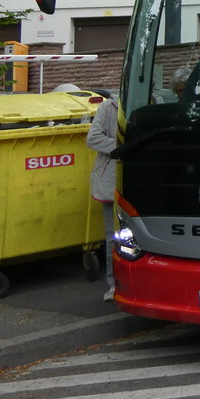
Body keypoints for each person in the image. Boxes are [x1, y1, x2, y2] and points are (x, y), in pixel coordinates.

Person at [86, 94, 119, 302]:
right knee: (114, 237)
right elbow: (93, 138)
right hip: (111, 181)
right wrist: (122, 146)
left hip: (141, 181)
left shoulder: (153, 102)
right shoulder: (108, 107)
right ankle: (114, 284)